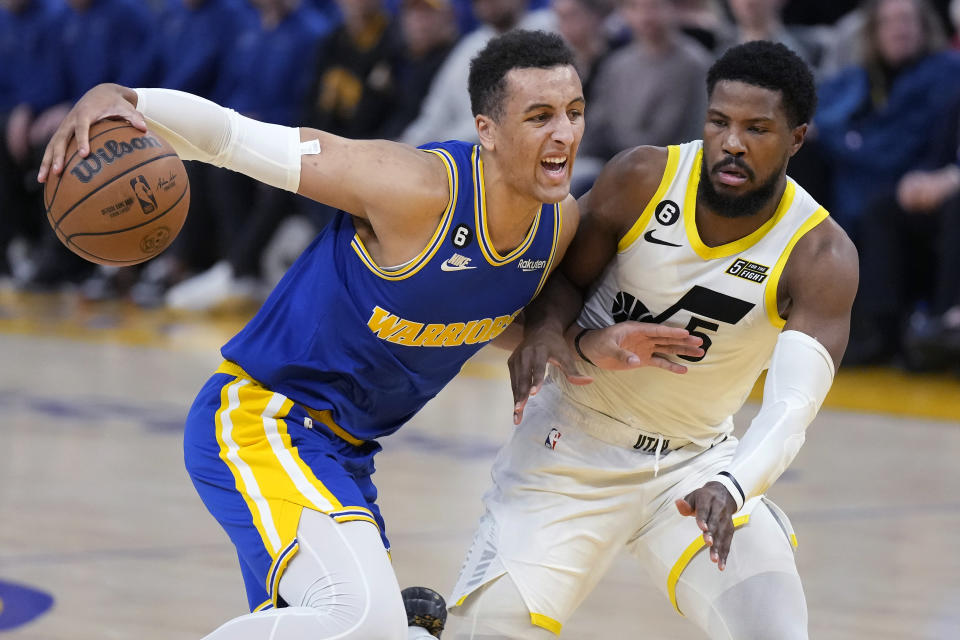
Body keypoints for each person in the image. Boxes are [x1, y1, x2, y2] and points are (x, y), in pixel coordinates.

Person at [38, 30, 702, 640]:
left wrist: (587, 344)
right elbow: (233, 140)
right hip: (262, 421)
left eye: (575, 111)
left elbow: (485, 314)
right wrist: (127, 101)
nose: (565, 134)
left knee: (347, 629)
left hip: (345, 457)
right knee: (361, 619)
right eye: (539, 117)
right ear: (487, 131)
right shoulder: (412, 188)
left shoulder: (553, 226)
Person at [449, 41, 858, 639]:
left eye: (757, 128)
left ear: (796, 139)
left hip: (698, 465)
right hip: (571, 449)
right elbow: (563, 279)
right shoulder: (643, 177)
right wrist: (542, 332)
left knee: (773, 630)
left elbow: (792, 407)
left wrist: (734, 483)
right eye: (719, 122)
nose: (733, 143)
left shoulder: (820, 254)